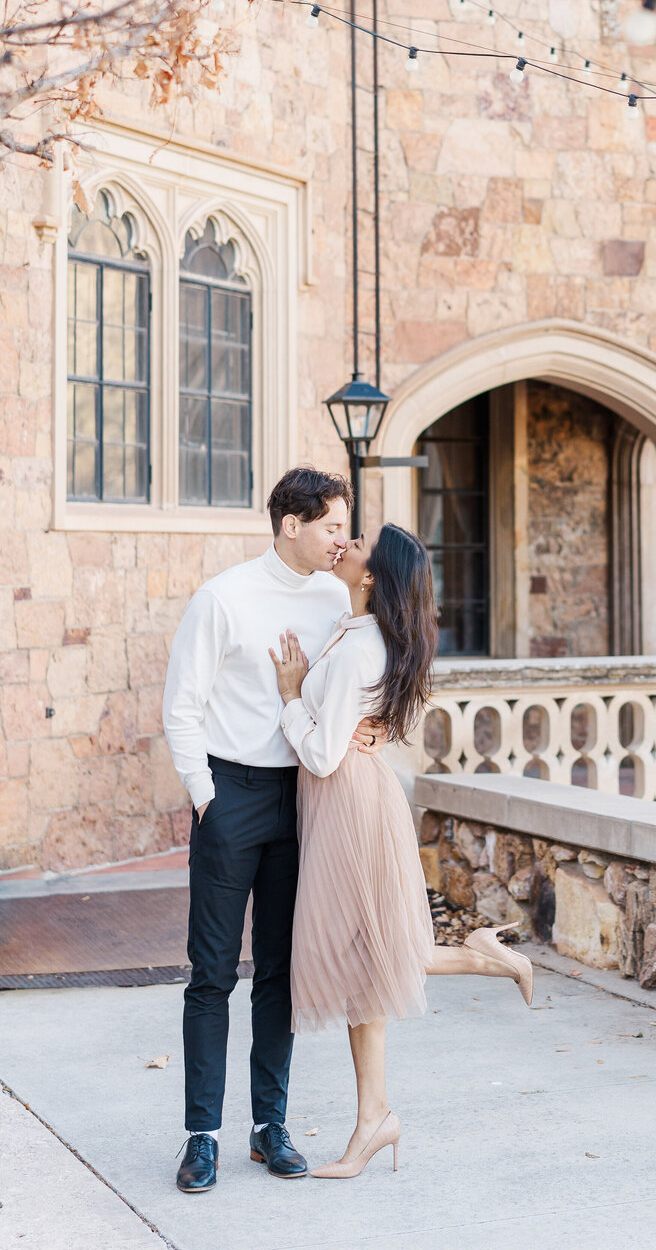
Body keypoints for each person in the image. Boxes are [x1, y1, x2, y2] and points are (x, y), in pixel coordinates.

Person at [270, 521, 533, 1179]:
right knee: (365, 961)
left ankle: (479, 964)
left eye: (355, 542)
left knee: (359, 956)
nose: (344, 542)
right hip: (350, 802)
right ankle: (374, 1119)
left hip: (348, 803)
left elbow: (325, 754)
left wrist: (289, 698)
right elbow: (388, 703)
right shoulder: (358, 629)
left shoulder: (362, 646)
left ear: (370, 577)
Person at [162, 466, 380, 1195]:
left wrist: (371, 730)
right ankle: (202, 1137)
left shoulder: (334, 598)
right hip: (231, 795)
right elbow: (182, 706)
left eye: (343, 528)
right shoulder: (222, 598)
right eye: (330, 527)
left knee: (282, 975)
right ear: (291, 524)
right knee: (213, 974)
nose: (340, 541)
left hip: (304, 798)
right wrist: (204, 797)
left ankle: (269, 1127)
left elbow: (362, 673)